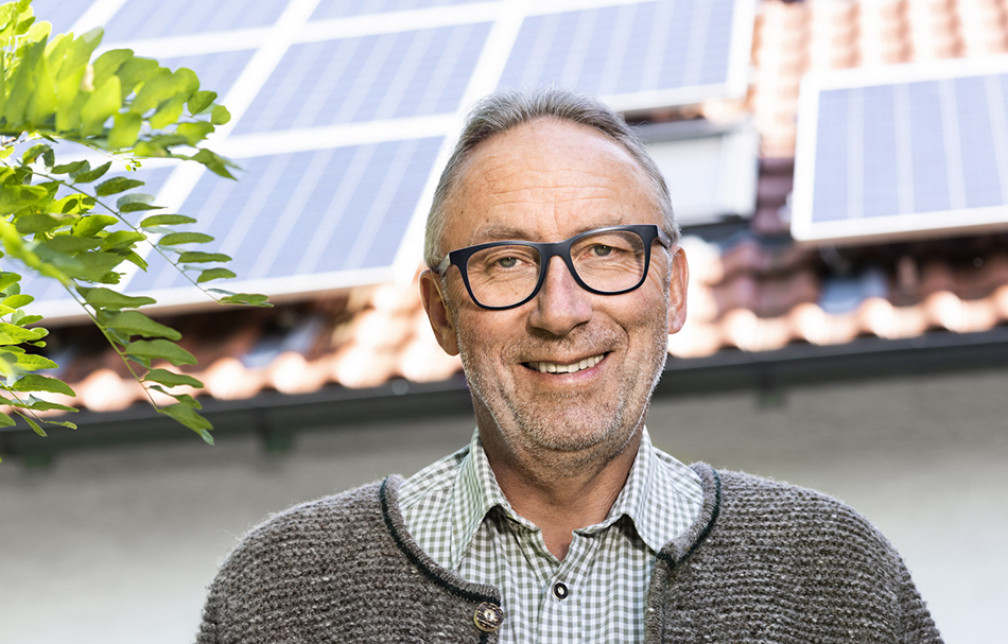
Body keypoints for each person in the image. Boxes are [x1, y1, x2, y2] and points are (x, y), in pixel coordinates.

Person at [197, 88, 942, 643]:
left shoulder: (837, 578)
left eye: (606, 252)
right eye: (504, 262)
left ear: (674, 291)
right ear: (440, 313)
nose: (561, 311)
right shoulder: (279, 595)